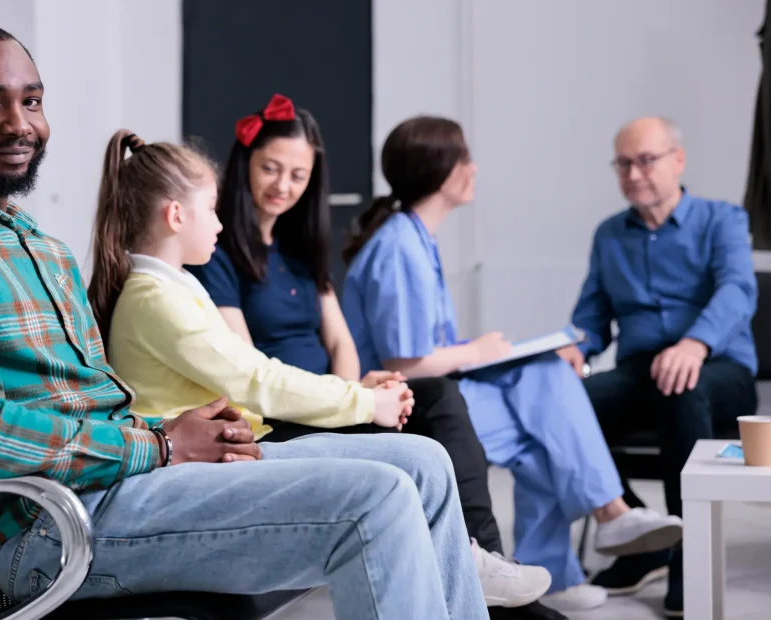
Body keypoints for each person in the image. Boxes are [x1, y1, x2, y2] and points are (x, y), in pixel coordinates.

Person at [0, 19, 488, 620]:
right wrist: (160, 445)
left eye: (33, 101)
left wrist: (177, 433)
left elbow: (95, 409)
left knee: (423, 463)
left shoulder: (39, 246)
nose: (20, 124)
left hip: (125, 485)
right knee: (377, 499)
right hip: (55, 530)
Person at [186, 94, 559, 618]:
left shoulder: (299, 250)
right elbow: (250, 369)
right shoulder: (218, 253)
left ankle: (486, 560)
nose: (283, 185)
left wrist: (352, 392)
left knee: (436, 396)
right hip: (281, 415)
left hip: (329, 402)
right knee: (425, 419)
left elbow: (340, 341)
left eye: (298, 175)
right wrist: (346, 401)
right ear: (245, 163)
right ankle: (489, 578)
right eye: (270, 168)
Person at [340, 115, 685, 613]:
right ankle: (609, 515)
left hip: (432, 392)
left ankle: (564, 563)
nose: (474, 168)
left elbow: (427, 347)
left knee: (542, 409)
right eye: (465, 158)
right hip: (404, 405)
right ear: (439, 170)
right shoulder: (399, 247)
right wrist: (480, 351)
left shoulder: (416, 238)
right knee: (542, 410)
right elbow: (405, 362)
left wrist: (484, 350)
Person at [557, 116, 758, 618]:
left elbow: (738, 290)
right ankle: (644, 538)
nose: (633, 174)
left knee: (680, 387)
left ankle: (690, 554)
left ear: (678, 160)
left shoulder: (722, 220)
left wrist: (695, 343)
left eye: (646, 161)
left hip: (719, 367)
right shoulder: (610, 235)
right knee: (562, 403)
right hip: (640, 370)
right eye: (623, 163)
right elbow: (591, 316)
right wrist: (575, 347)